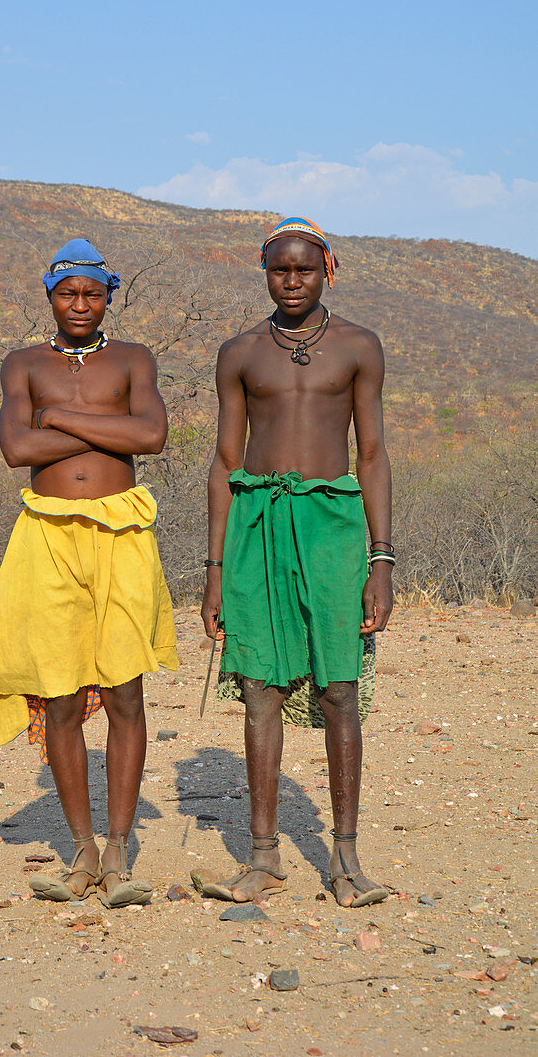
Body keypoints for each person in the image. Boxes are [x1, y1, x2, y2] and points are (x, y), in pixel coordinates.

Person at [0, 238, 178, 908]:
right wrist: (104, 424)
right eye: (66, 293)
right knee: (59, 696)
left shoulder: (132, 359)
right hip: (47, 534)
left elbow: (151, 437)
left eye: (90, 292)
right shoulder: (22, 363)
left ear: (108, 294)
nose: (78, 304)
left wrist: (61, 415)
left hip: (122, 534)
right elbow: (16, 448)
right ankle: (80, 846)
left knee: (123, 692)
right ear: (49, 296)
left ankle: (118, 849)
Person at [199, 217, 393, 907]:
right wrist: (215, 569)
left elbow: (370, 455)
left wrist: (381, 558)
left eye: (303, 270)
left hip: (332, 524)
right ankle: (261, 858)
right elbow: (225, 461)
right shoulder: (240, 352)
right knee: (260, 688)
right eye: (278, 270)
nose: (290, 281)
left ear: (326, 271)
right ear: (264, 272)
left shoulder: (357, 347)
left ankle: (345, 860)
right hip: (256, 522)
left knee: (339, 687)